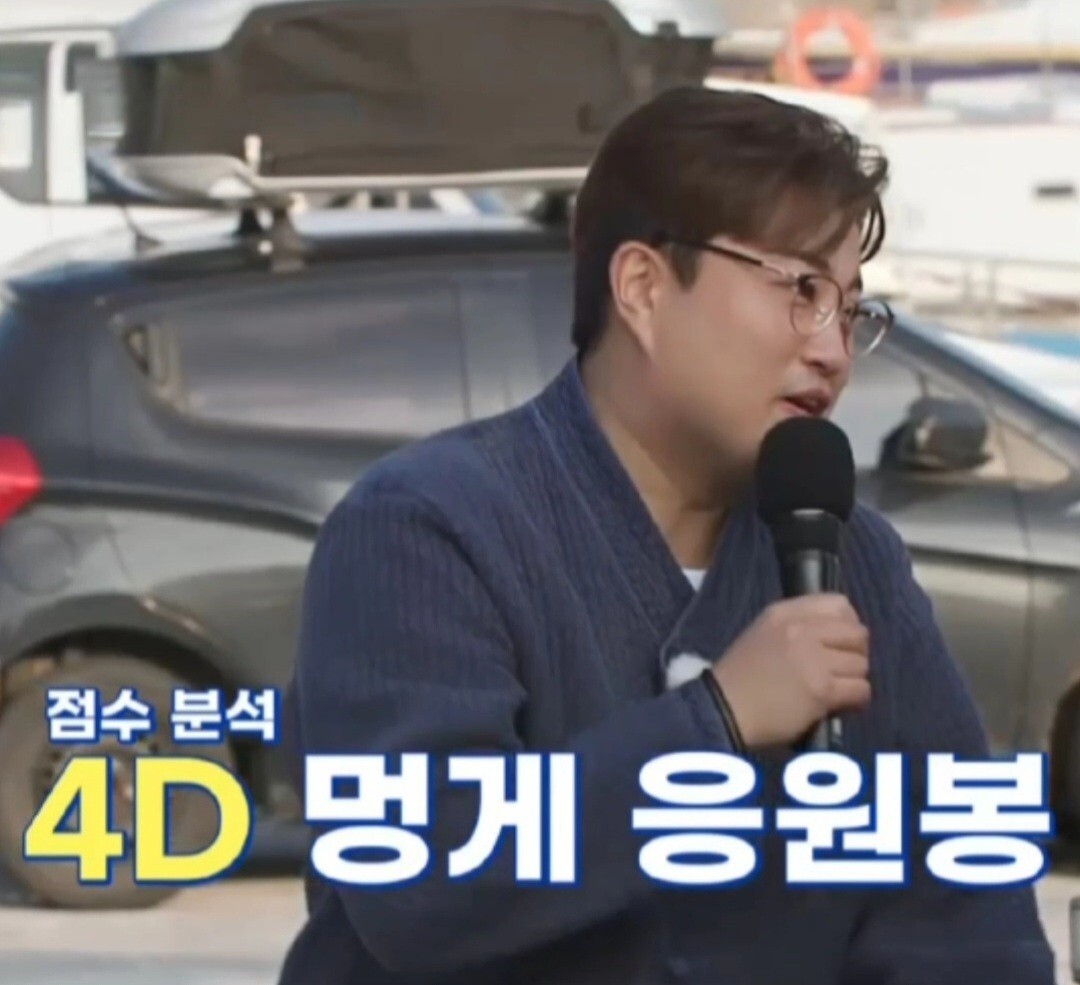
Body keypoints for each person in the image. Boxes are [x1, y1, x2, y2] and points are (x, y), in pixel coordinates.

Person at [277, 86, 1055, 985]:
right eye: (801, 289)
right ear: (644, 289)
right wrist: (715, 723)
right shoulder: (425, 526)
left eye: (850, 311)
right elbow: (418, 874)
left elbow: (964, 910)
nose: (833, 350)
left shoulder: (852, 558)